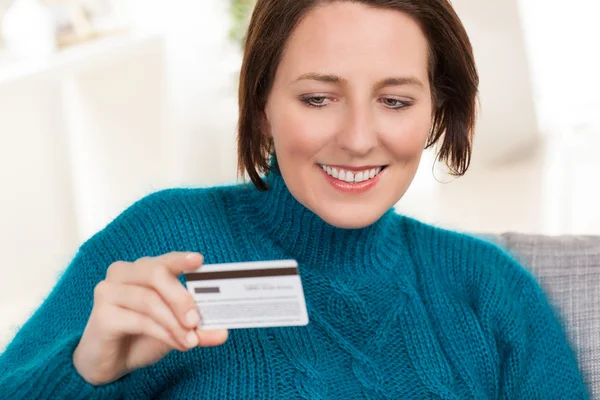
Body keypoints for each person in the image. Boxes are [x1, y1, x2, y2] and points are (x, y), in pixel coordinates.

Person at [0, 0, 589, 398]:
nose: (358, 139)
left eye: (395, 101)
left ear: (438, 110)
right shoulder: (161, 240)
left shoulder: (493, 289)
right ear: (261, 107)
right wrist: (82, 372)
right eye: (317, 99)